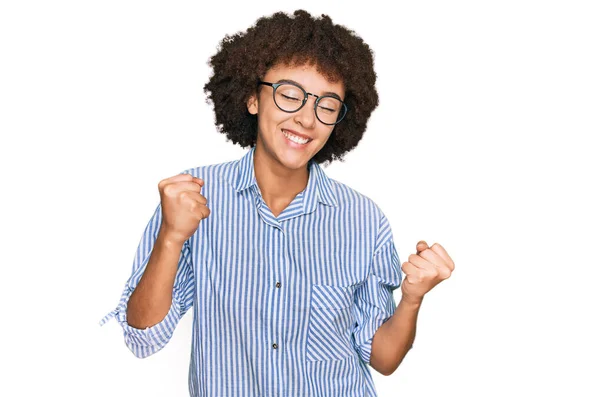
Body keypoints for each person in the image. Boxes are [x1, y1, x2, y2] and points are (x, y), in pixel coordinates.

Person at [100, 9, 455, 397]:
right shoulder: (192, 199)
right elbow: (143, 337)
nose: (306, 118)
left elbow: (383, 359)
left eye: (327, 105)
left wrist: (412, 299)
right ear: (253, 98)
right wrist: (171, 237)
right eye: (289, 95)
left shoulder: (362, 219)